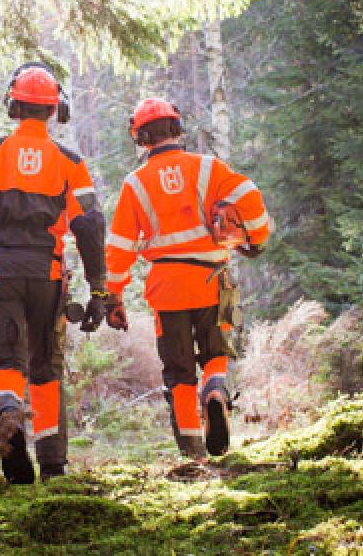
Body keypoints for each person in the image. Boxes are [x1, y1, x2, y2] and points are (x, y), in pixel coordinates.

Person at [0, 62, 117, 484]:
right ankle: (53, 463)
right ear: (55, 111)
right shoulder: (70, 162)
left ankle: (9, 408)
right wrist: (99, 288)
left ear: (13, 105)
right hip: (47, 274)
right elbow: (89, 225)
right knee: (46, 366)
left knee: (5, 355)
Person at [105, 98, 271, 460]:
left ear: (141, 137)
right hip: (212, 280)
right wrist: (255, 238)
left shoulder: (135, 184)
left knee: (178, 370)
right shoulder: (208, 168)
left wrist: (114, 296)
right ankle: (215, 392)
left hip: (166, 289)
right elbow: (250, 196)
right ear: (177, 129)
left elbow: (118, 247)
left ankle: (193, 452)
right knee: (218, 351)